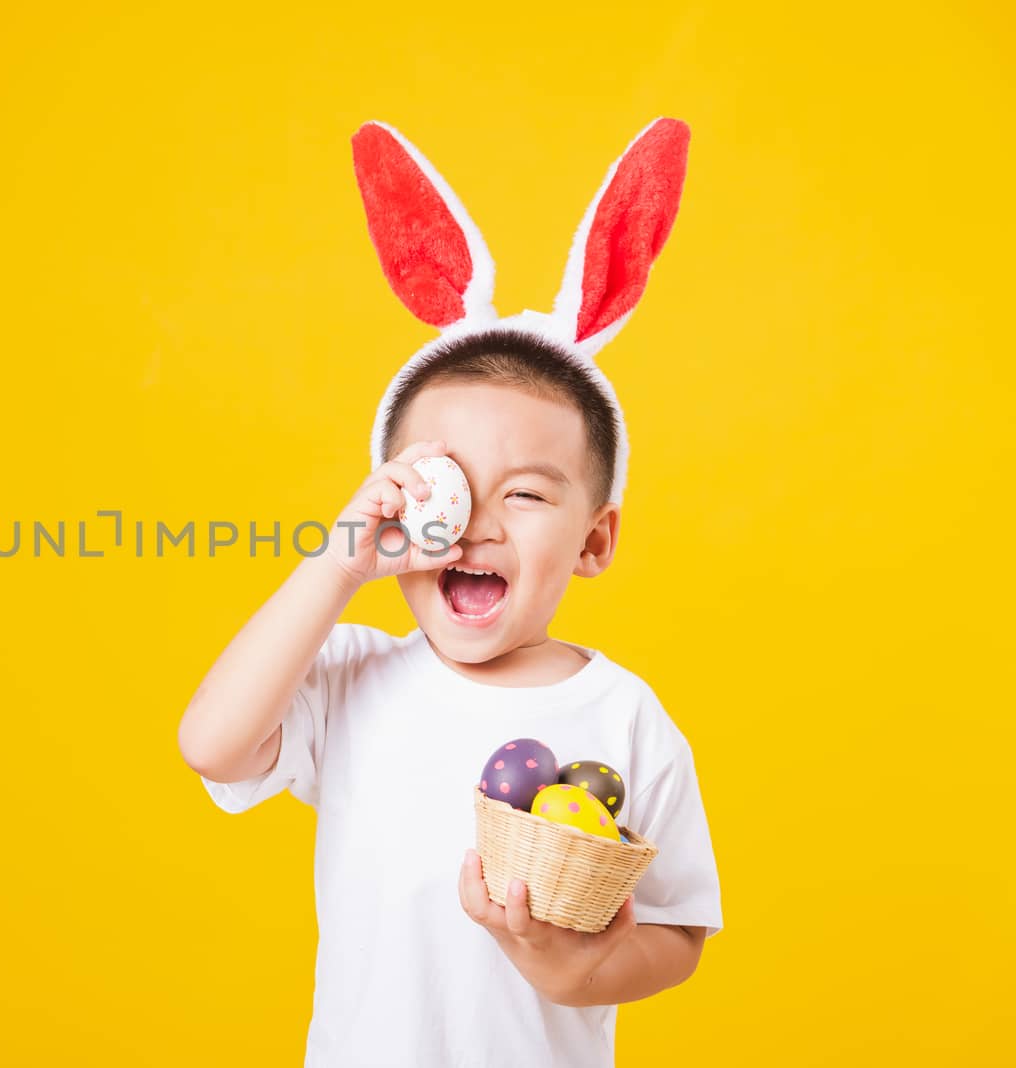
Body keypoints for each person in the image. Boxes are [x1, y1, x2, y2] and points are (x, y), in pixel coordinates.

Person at [177, 119, 723, 1067]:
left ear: (595, 539)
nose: (477, 524)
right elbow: (212, 746)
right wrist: (338, 563)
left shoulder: (627, 716)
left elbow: (678, 933)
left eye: (524, 493)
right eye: (445, 485)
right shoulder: (349, 672)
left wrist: (577, 972)